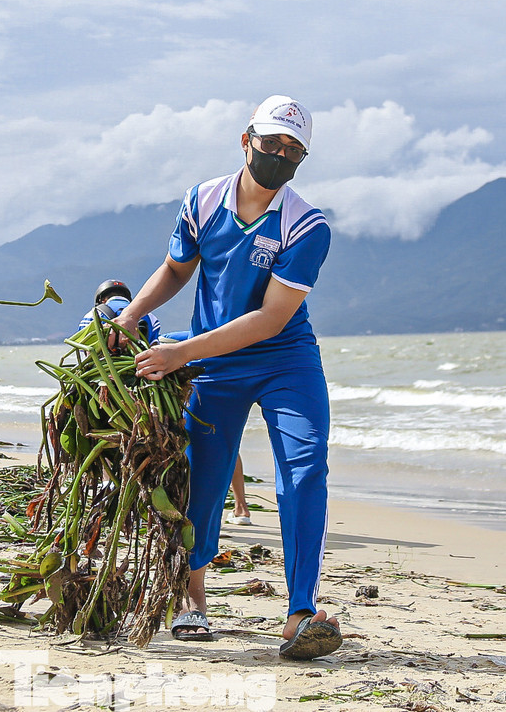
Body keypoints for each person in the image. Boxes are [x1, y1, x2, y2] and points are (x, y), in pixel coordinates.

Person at [113, 95, 340, 661]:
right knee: (204, 482)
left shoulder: (307, 226)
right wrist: (132, 313)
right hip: (216, 365)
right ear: (247, 140)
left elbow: (270, 318)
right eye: (272, 144)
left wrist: (180, 350)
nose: (280, 156)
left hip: (285, 358)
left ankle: (300, 612)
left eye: (294, 151)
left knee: (305, 468)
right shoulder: (201, 201)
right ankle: (193, 600)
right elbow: (176, 269)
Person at [87, 279, 254, 526]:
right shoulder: (146, 315)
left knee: (111, 439)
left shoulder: (92, 316)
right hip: (152, 387)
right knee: (210, 439)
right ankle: (240, 507)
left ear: (101, 299)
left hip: (111, 389)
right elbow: (154, 347)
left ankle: (113, 496)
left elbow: (87, 355)